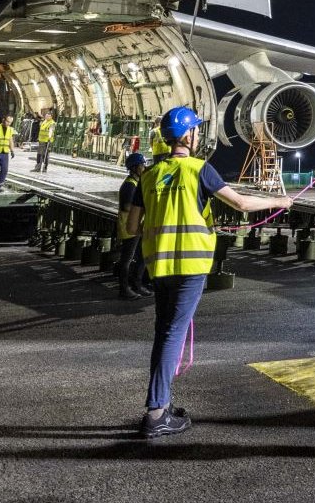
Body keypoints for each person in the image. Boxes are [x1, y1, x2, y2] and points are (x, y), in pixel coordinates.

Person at [123, 105, 287, 438]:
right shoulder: (200, 170)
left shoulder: (149, 175)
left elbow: (131, 226)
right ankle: (156, 413)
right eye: (196, 130)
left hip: (159, 266)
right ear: (188, 135)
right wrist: (280, 202)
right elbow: (240, 203)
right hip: (191, 267)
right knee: (173, 334)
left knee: (164, 332)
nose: (198, 134)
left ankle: (162, 403)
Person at [116, 152, 153, 299]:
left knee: (141, 256)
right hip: (129, 228)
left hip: (134, 226)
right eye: (142, 165)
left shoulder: (135, 183)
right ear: (135, 167)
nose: (144, 167)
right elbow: (126, 206)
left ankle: (136, 285)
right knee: (127, 259)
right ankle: (124, 289)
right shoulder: (130, 185)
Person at [33, 108, 57, 173]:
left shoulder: (52, 123)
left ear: (51, 117)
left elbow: (51, 131)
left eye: (48, 116)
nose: (46, 117)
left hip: (47, 141)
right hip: (41, 140)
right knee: (39, 154)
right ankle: (38, 167)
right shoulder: (44, 121)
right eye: (46, 116)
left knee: (45, 155)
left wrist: (49, 137)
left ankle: (44, 167)